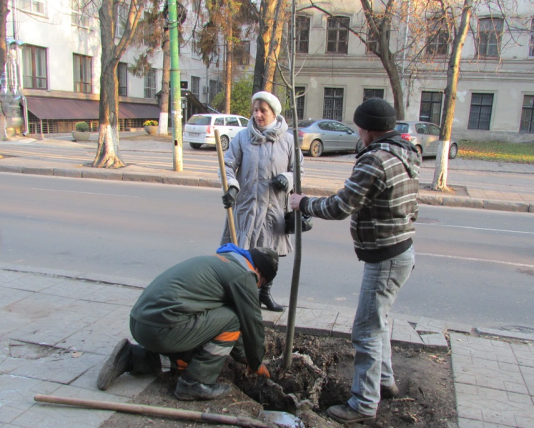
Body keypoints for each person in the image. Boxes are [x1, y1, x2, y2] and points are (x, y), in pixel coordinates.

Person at [290, 98, 420, 425]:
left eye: (359, 127)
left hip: (386, 258)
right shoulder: (404, 151)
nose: (358, 132)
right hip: (401, 251)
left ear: (366, 128)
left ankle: (363, 403)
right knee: (380, 322)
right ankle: (384, 382)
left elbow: (340, 206)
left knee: (365, 331)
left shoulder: (376, 160)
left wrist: (303, 202)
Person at [96, 243, 277, 401]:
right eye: (261, 283)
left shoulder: (222, 260)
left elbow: (225, 326)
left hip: (140, 323)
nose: (257, 287)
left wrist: (242, 357)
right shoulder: (244, 275)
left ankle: (132, 357)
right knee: (235, 317)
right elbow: (251, 323)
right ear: (259, 271)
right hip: (163, 329)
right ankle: (195, 382)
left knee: (193, 355)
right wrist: (256, 362)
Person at [220, 91, 303, 312]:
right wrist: (232, 186)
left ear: (274, 113)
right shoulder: (242, 138)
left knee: (269, 256)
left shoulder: (288, 140)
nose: (257, 114)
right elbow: (228, 165)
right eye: (255, 110)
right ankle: (244, 297)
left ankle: (265, 294)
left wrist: (287, 179)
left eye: (262, 110)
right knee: (241, 254)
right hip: (247, 206)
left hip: (273, 209)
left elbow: (299, 171)